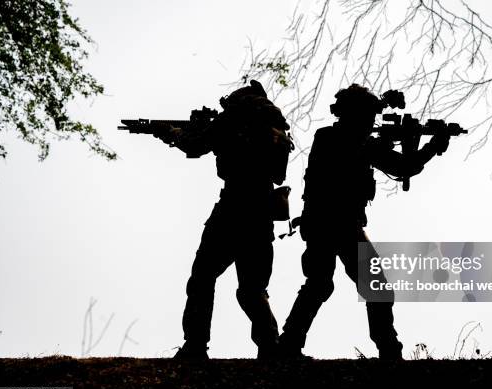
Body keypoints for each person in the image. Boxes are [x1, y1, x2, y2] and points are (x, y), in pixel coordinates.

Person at [278, 84, 450, 359]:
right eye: (368, 116)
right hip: (333, 223)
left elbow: (400, 165)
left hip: (335, 224)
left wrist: (421, 145)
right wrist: (428, 147)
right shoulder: (335, 139)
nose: (372, 122)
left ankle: (384, 348)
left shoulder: (352, 141)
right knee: (337, 285)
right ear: (354, 115)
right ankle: (385, 349)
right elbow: (401, 166)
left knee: (329, 285)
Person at [161, 81, 293, 360]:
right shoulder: (276, 127)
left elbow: (196, 145)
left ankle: (195, 345)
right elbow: (278, 174)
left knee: (202, 277)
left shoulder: (232, 117)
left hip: (233, 207)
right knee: (252, 288)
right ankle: (270, 345)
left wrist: (173, 134)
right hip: (262, 209)